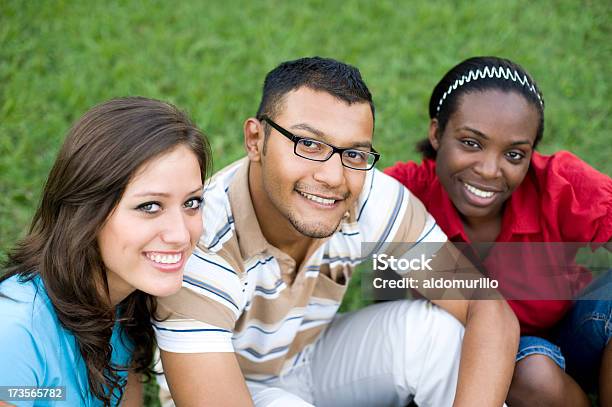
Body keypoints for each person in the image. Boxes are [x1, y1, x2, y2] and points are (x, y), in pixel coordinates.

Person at [154, 56, 519, 407]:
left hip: (309, 357)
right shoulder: (201, 243)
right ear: (255, 140)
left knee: (436, 334)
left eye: (354, 154)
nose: (332, 177)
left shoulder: (366, 195)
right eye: (308, 144)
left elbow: (486, 306)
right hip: (225, 383)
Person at [385, 56, 612, 406]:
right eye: (471, 143)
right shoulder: (408, 192)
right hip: (489, 360)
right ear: (436, 133)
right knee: (532, 373)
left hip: (573, 332)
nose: (491, 170)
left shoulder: (558, 183)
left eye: (514, 155)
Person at [0, 97, 212, 406]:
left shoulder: (128, 299)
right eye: (150, 206)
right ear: (87, 212)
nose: (180, 235)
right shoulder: (15, 333)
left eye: (191, 202)